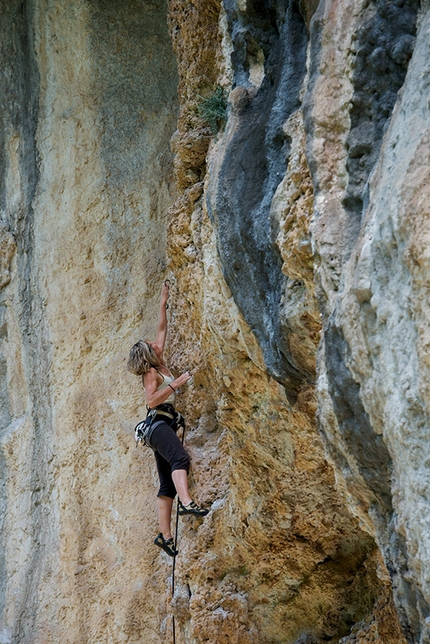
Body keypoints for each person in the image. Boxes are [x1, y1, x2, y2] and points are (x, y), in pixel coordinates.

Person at [127, 282, 208, 557]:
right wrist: (177, 384)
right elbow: (150, 400)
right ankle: (186, 502)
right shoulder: (151, 372)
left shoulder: (159, 361)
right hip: (158, 425)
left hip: (160, 427)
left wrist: (163, 302)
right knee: (180, 459)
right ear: (149, 353)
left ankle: (165, 536)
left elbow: (162, 329)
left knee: (165, 484)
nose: (156, 341)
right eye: (151, 344)